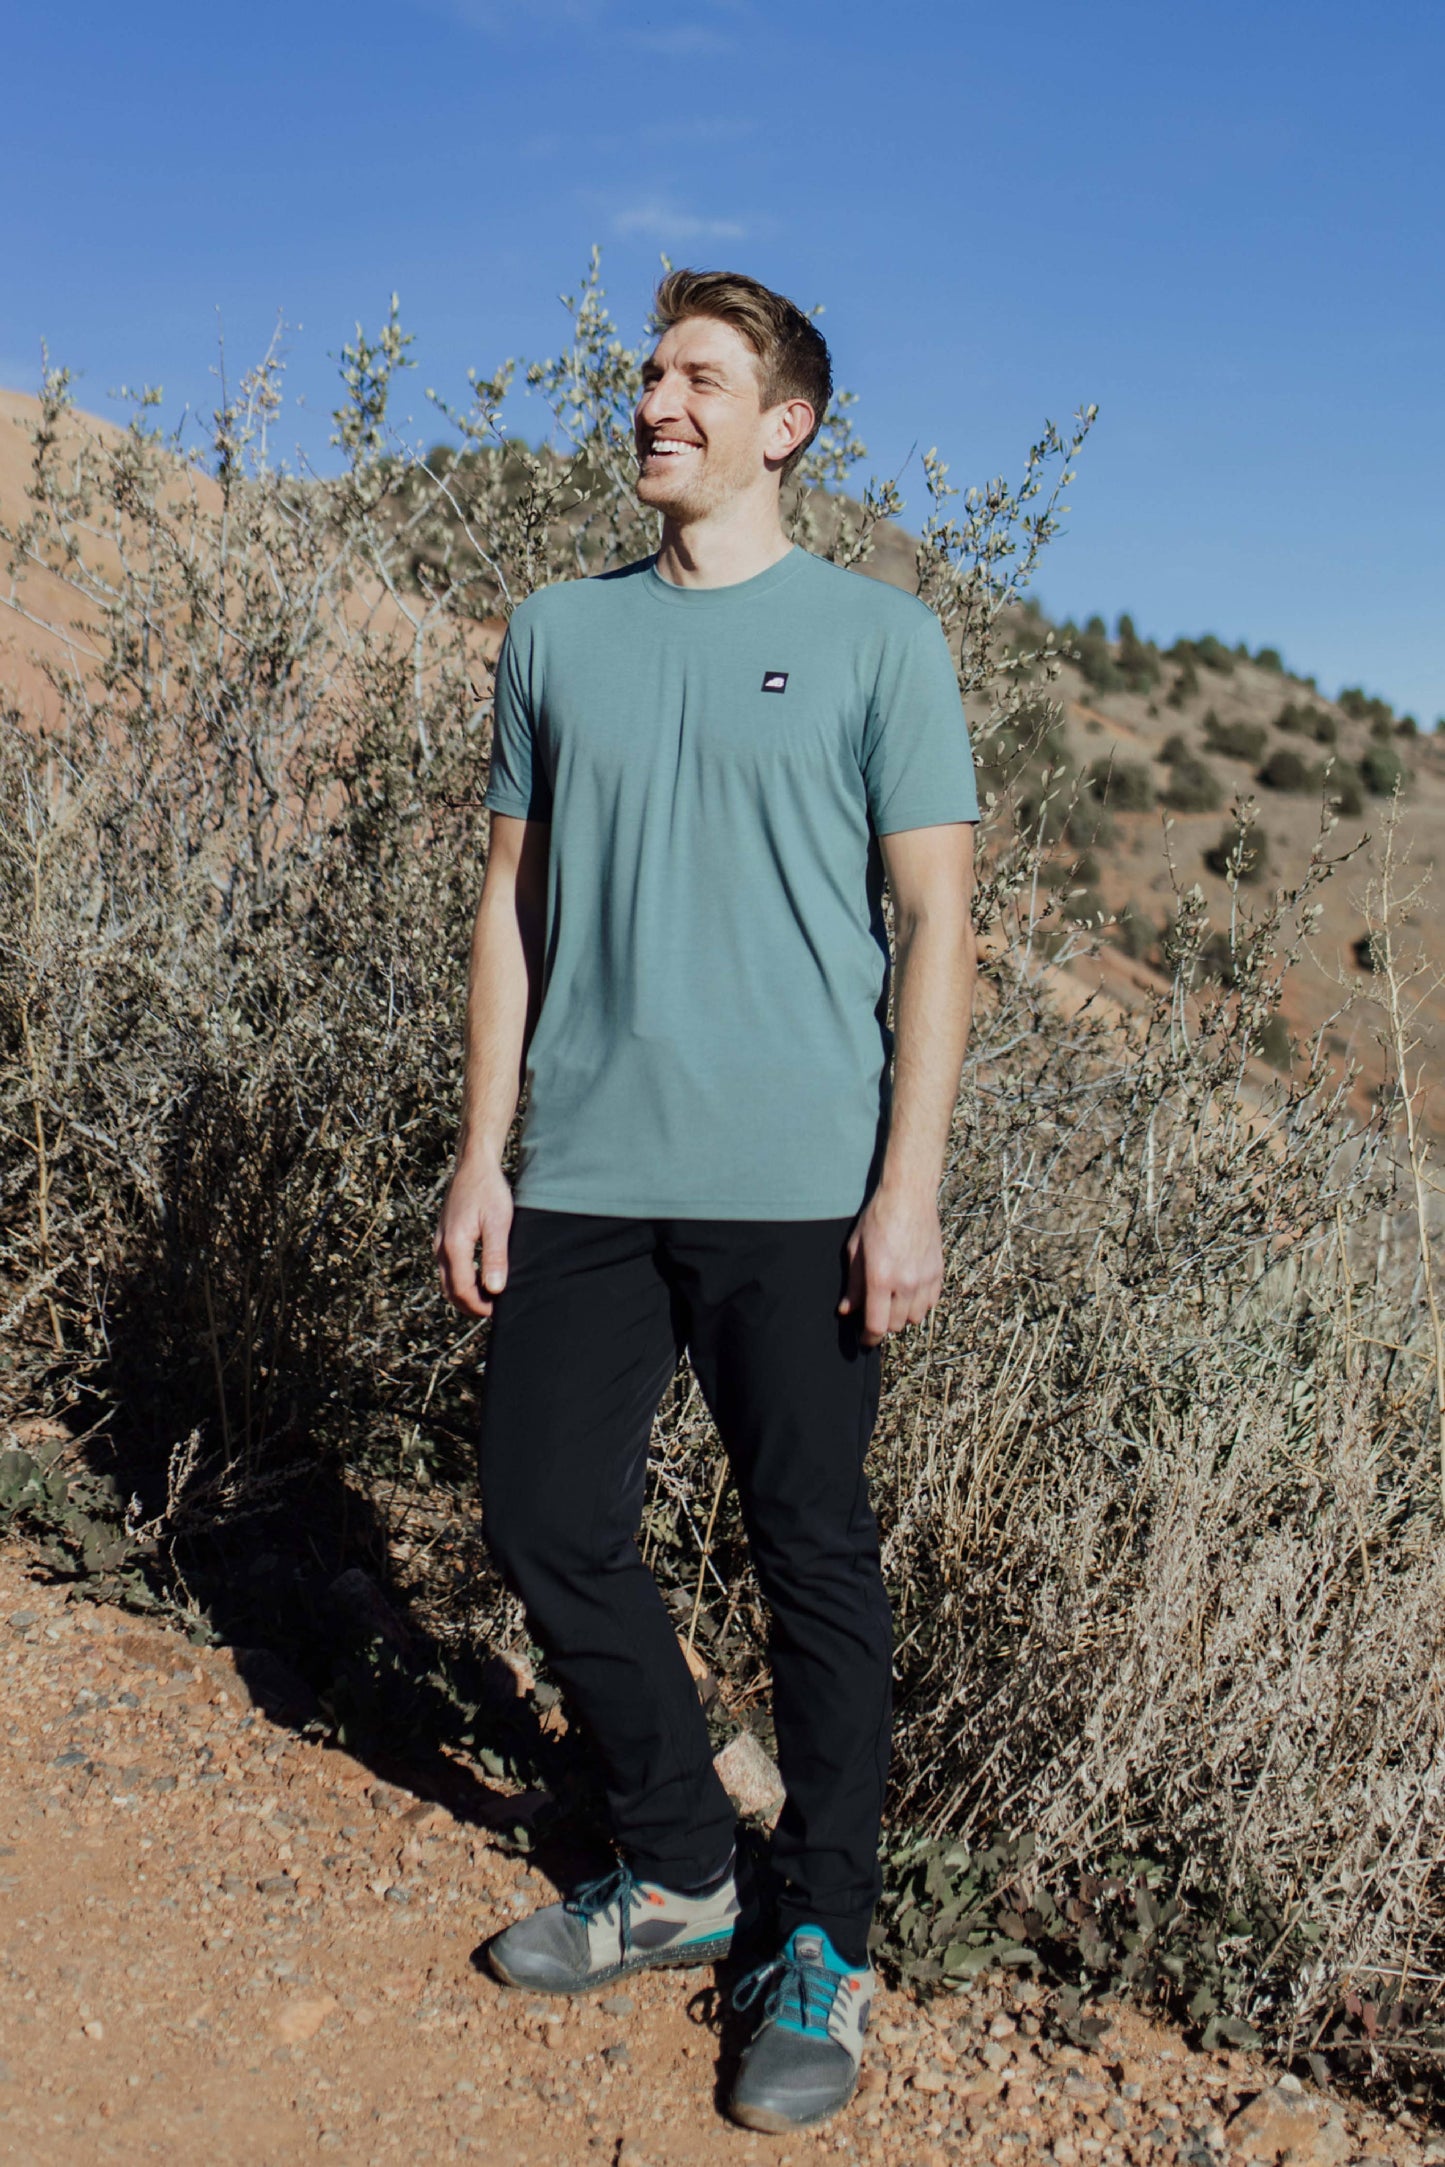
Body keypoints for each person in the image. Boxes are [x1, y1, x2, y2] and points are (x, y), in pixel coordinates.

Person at [436, 267, 978, 2135]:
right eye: (649, 372)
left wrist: (903, 1190)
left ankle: (822, 1934)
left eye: (697, 378)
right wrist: (481, 1149)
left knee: (807, 1549)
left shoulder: (876, 642)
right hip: (584, 1167)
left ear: (784, 424)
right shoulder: (554, 635)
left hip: (797, 1190)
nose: (655, 400)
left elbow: (936, 932)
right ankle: (680, 1866)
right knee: (537, 1508)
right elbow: (509, 915)